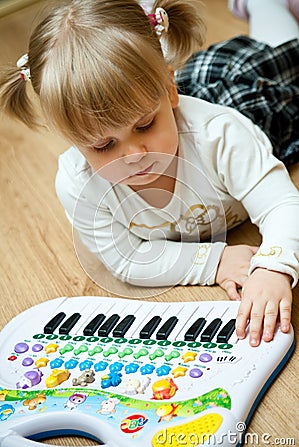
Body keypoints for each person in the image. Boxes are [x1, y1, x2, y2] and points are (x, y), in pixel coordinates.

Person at [0, 0, 298, 348]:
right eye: (102, 145)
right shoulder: (79, 183)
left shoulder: (222, 136)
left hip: (245, 97)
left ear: (171, 91)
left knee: (286, 58)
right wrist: (213, 261)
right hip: (172, 100)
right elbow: (126, 259)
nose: (134, 155)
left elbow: (282, 204)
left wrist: (274, 266)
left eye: (144, 125)